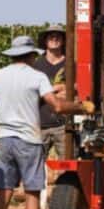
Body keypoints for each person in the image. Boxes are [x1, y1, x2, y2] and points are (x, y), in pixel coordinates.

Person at [0, 35, 92, 209]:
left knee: (4, 192)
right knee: (32, 193)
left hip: (4, 139)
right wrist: (81, 108)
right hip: (29, 140)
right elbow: (57, 106)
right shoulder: (37, 77)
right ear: (31, 55)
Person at [34, 24, 67, 160]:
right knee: (34, 165)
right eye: (51, 36)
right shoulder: (36, 64)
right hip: (39, 124)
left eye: (58, 36)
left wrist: (66, 88)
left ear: (63, 41)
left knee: (69, 165)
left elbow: (80, 85)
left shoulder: (71, 64)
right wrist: (50, 92)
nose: (55, 39)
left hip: (64, 125)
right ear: (45, 41)